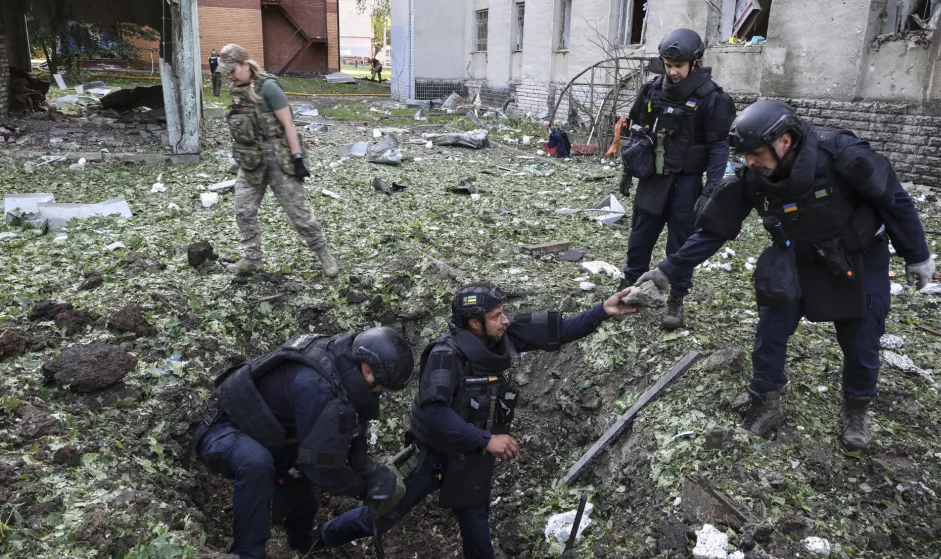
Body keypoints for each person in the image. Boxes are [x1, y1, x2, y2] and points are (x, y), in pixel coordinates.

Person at [635, 99, 934, 450]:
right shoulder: (754, 176)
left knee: (862, 340)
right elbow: (714, 230)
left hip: (859, 256)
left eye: (755, 153)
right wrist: (667, 271)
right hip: (796, 254)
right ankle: (766, 400)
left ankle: (856, 409)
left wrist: (917, 255)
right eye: (744, 155)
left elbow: (894, 200)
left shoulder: (844, 156)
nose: (748, 162)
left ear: (785, 141)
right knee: (771, 330)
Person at [319, 283, 638, 558]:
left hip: (471, 460)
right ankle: (318, 539)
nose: (505, 320)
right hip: (430, 456)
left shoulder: (505, 336)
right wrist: (487, 439)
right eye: (496, 316)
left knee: (478, 535)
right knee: (379, 516)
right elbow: (434, 411)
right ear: (474, 323)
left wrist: (602, 311)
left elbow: (562, 329)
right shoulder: (446, 355)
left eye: (503, 312)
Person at [190, 327, 415, 559]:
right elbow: (322, 470)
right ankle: (248, 553)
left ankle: (303, 545)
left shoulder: (347, 366)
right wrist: (364, 488)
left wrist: (367, 469)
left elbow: (355, 425)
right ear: (368, 371)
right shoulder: (319, 388)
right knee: (257, 464)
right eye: (385, 387)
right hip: (222, 431)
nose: (385, 393)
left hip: (270, 435)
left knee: (300, 482)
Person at [621, 28, 736, 330]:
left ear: (694, 63)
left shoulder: (712, 99)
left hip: (687, 182)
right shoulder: (651, 91)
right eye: (668, 65)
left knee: (680, 245)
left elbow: (718, 148)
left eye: (678, 66)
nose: (672, 71)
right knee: (639, 237)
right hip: (654, 178)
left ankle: (676, 300)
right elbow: (635, 128)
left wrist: (711, 191)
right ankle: (629, 289)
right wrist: (629, 166)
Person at [217, 44, 339, 277]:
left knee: (297, 212)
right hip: (251, 159)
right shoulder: (236, 88)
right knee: (243, 210)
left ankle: (323, 253)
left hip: (277, 156)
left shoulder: (269, 87)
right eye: (226, 71)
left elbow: (289, 125)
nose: (229, 75)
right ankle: (252, 260)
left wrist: (297, 158)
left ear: (245, 64)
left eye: (232, 69)